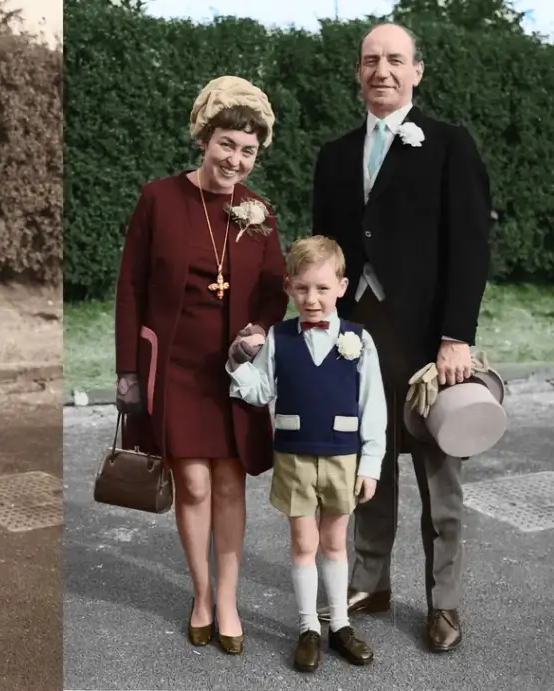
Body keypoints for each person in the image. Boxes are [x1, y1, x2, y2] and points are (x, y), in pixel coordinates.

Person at [310, 22, 493, 652]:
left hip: (428, 343)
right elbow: (325, 254)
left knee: (441, 478)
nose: (381, 71)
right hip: (356, 336)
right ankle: (372, 579)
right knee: (369, 464)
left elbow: (470, 249)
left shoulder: (449, 144)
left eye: (394, 60)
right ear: (357, 73)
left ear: (417, 71)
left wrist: (456, 338)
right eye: (370, 61)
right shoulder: (333, 155)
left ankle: (443, 603)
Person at [114, 75, 288, 654]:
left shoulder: (258, 212)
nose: (234, 159)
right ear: (204, 139)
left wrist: (259, 328)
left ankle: (231, 602)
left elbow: (273, 289)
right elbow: (130, 287)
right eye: (226, 145)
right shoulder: (158, 197)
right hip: (177, 366)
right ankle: (203, 595)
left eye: (247, 151)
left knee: (230, 485)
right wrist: (128, 370)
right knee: (190, 483)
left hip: (231, 371)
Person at [225, 236, 386, 672]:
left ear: (341, 286)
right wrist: (238, 362)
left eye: (321, 288)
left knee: (334, 542)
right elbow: (259, 392)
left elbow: (374, 408)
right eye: (302, 289)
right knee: (303, 543)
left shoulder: (359, 340)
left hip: (341, 457)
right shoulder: (278, 339)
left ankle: (340, 626)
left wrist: (370, 464)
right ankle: (308, 627)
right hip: (294, 457)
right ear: (289, 288)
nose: (311, 299)